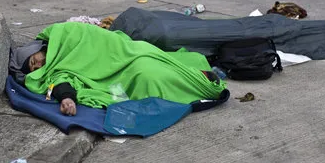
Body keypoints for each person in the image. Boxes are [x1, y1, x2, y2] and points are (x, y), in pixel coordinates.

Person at [19, 22, 225, 116]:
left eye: (33, 60)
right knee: (147, 77)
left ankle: (194, 75)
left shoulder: (63, 33)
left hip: (127, 51)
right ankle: (197, 83)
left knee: (149, 59)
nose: (37, 65)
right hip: (121, 74)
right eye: (33, 68)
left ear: (38, 49)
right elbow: (62, 83)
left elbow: (97, 37)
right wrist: (66, 98)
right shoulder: (54, 71)